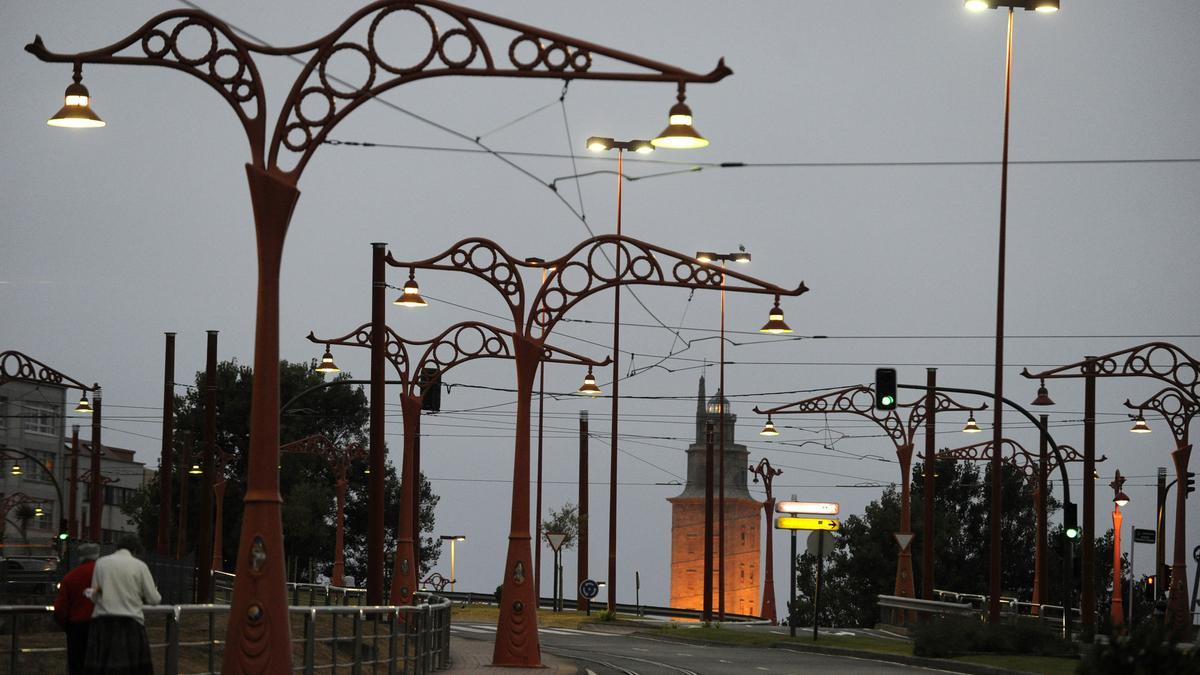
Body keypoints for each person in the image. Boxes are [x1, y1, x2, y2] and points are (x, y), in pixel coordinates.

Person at [85, 534, 161, 675]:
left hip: (102, 624)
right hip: (131, 624)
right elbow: (154, 599)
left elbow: (94, 595)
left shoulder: (101, 563)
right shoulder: (140, 566)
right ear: (136, 550)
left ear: (117, 547)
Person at [54, 542, 100, 674]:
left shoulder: (70, 577)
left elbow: (60, 609)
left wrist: (66, 625)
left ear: (80, 557)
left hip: (77, 628)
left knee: (77, 666)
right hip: (101, 626)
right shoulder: (105, 575)